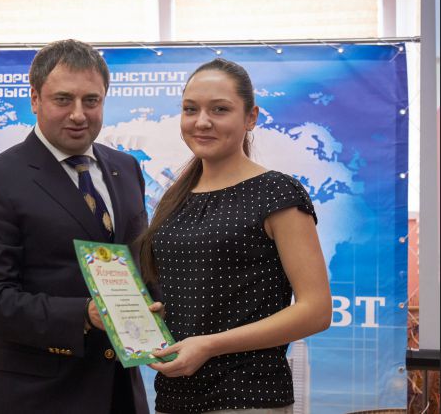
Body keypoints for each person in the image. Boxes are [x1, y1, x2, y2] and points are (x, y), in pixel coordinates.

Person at [0, 39, 151, 414]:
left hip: (121, 393)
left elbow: (138, 264)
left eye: (91, 100)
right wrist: (85, 314)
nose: (78, 114)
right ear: (35, 99)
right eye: (63, 99)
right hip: (37, 396)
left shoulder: (125, 168)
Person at [139, 58, 332, 414]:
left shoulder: (276, 192)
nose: (202, 121)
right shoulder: (175, 198)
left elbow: (316, 311)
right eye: (190, 109)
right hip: (174, 396)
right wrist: (159, 314)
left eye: (220, 109)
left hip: (248, 396)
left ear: (250, 117)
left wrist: (209, 345)